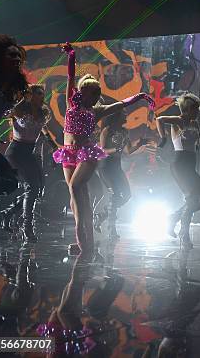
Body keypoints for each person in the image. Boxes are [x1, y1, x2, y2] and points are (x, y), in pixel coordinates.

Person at [54, 42, 154, 255]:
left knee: (75, 189)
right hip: (68, 152)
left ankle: (85, 247)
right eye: (91, 93)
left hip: (86, 153)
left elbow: (121, 104)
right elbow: (71, 78)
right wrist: (71, 55)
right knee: (77, 200)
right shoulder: (72, 104)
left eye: (97, 93)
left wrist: (142, 96)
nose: (95, 97)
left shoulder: (96, 111)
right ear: (82, 93)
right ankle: (84, 243)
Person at [0, 34, 28, 260]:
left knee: (8, 180)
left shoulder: (13, 85)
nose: (16, 58)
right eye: (11, 54)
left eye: (18, 55)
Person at [0, 84, 51, 243]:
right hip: (16, 152)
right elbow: (10, 112)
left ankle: (8, 213)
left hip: (29, 153)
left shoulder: (43, 113)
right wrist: (23, 99)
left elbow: (43, 131)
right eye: (39, 93)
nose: (42, 96)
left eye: (43, 93)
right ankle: (27, 227)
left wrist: (54, 147)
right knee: (32, 187)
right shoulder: (20, 110)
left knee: (37, 189)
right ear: (31, 95)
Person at [156, 92, 200, 248]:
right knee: (192, 198)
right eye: (196, 109)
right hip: (180, 164)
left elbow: (195, 142)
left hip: (190, 164)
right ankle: (184, 234)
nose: (199, 112)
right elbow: (160, 119)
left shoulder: (195, 123)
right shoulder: (178, 121)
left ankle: (173, 218)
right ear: (189, 109)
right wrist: (163, 139)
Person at [94, 108, 147, 239]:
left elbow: (128, 152)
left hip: (117, 167)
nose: (126, 115)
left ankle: (102, 216)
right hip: (105, 167)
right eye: (123, 113)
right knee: (115, 194)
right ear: (116, 116)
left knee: (127, 195)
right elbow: (102, 151)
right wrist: (115, 149)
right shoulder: (107, 130)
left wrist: (139, 144)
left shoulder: (124, 131)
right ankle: (112, 229)